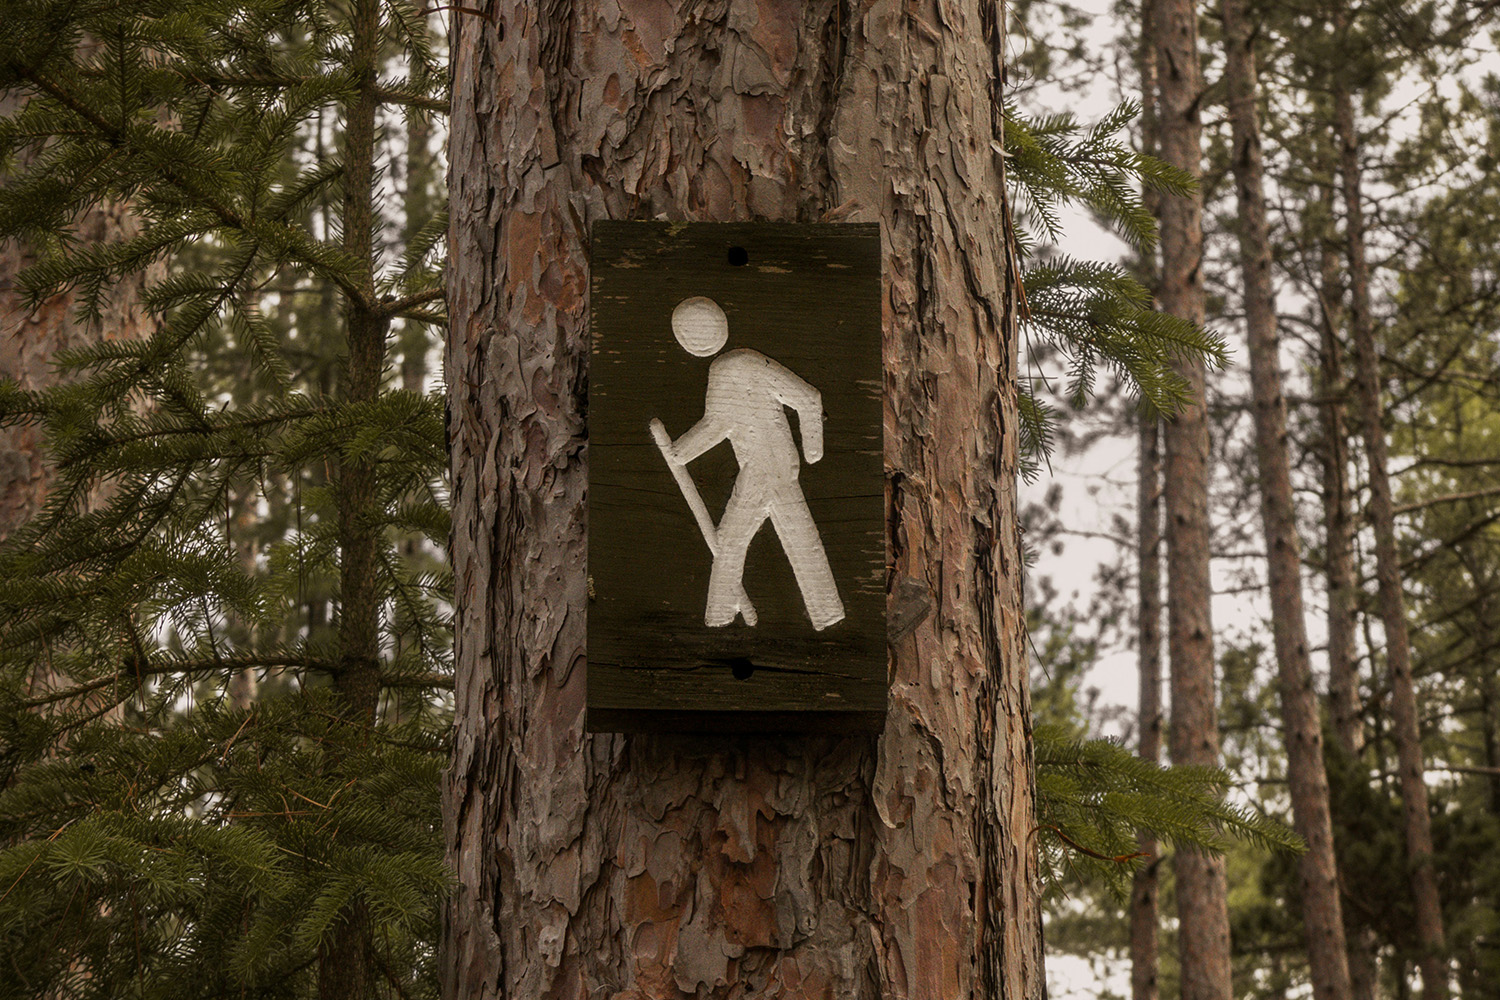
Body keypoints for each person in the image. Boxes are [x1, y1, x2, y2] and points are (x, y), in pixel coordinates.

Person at [650, 296, 846, 631]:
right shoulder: (749, 362)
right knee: (801, 540)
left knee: (730, 540)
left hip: (761, 469)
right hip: (781, 466)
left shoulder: (727, 370)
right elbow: (807, 400)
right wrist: (811, 452)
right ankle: (826, 611)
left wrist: (680, 452)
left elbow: (719, 424)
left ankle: (720, 615)